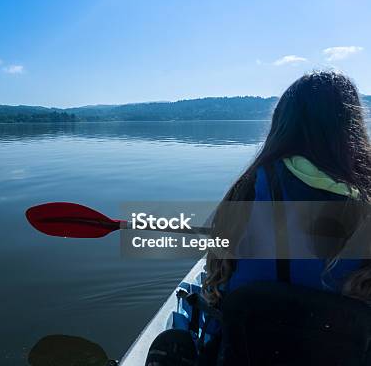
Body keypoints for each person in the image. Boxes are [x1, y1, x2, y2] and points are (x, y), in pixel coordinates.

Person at [146, 70, 371, 366]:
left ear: (283, 124)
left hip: (244, 354)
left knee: (181, 337)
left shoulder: (250, 186)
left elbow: (218, 270)